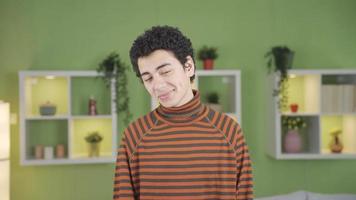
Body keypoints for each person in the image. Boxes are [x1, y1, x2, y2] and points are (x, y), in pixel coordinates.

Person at [113, 25, 253, 200]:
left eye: (165, 71)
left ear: (189, 67)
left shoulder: (230, 131)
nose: (157, 85)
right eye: (148, 78)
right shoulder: (133, 135)